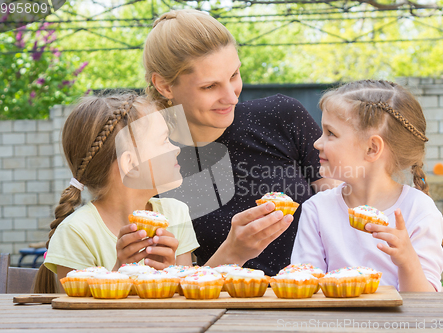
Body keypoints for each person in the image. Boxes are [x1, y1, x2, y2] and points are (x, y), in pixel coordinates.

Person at [143, 9, 340, 276]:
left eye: (234, 75)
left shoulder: (282, 117)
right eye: (209, 87)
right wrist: (232, 254)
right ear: (164, 86)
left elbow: (342, 217)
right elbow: (166, 283)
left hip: (315, 303)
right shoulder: (153, 161)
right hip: (217, 315)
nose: (231, 97)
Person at [291, 80, 443, 292]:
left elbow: (425, 304)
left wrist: (407, 259)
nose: (317, 143)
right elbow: (306, 287)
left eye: (331, 133)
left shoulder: (419, 210)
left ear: (371, 148)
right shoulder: (317, 209)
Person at [34, 93, 199, 293]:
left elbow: (186, 304)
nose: (176, 149)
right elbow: (75, 318)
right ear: (131, 164)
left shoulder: (176, 214)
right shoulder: (77, 233)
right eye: (164, 140)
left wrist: (170, 271)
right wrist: (118, 273)